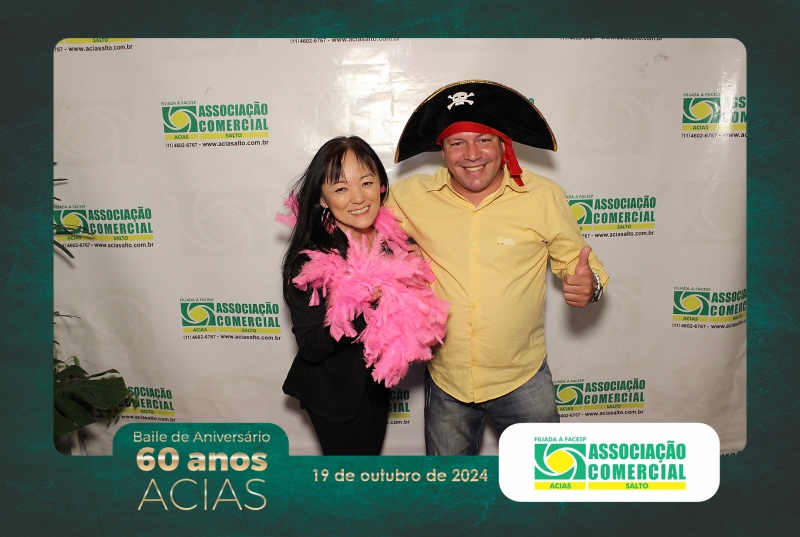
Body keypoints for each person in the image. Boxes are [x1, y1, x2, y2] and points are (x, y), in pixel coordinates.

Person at [386, 80, 609, 455]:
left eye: (484, 139)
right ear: (442, 150)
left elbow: (579, 262)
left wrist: (591, 286)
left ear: (504, 145)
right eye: (457, 143)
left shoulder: (542, 196)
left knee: (544, 481)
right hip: (447, 380)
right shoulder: (411, 196)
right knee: (448, 487)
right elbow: (360, 226)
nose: (472, 154)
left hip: (522, 378)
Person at [280, 136, 447, 455]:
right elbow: (311, 348)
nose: (358, 197)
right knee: (352, 478)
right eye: (341, 188)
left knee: (369, 468)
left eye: (367, 182)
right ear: (322, 199)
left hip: (375, 383)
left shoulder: (390, 240)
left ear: (381, 186)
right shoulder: (310, 263)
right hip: (334, 394)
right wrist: (361, 310)